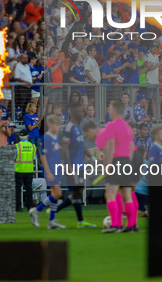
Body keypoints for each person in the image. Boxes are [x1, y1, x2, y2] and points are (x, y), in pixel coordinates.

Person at [98, 99, 137, 233]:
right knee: (127, 194)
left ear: (114, 111)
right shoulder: (127, 127)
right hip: (127, 162)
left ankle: (115, 225)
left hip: (116, 162)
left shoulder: (110, 126)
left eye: (109, 108)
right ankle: (132, 225)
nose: (108, 111)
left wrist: (108, 164)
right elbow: (131, 147)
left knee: (110, 194)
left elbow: (110, 146)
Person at [54, 102, 95, 228]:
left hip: (80, 165)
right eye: (80, 111)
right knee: (77, 191)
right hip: (73, 166)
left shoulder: (78, 127)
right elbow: (65, 147)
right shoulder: (69, 127)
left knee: (78, 192)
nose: (82, 113)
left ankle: (55, 211)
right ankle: (80, 221)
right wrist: (70, 165)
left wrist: (92, 158)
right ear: (74, 112)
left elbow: (82, 145)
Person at [29, 114, 65, 229]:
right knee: (58, 194)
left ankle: (51, 220)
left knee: (55, 195)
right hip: (51, 170)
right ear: (50, 125)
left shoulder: (56, 137)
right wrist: (48, 172)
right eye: (57, 125)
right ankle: (37, 210)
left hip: (57, 169)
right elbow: (43, 157)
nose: (59, 128)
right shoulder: (47, 138)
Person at [14, 129, 36, 212]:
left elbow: (13, 158)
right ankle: (30, 206)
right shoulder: (33, 146)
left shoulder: (17, 146)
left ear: (19, 136)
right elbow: (33, 158)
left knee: (18, 189)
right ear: (28, 136)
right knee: (29, 189)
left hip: (18, 170)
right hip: (29, 170)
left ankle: (18, 207)